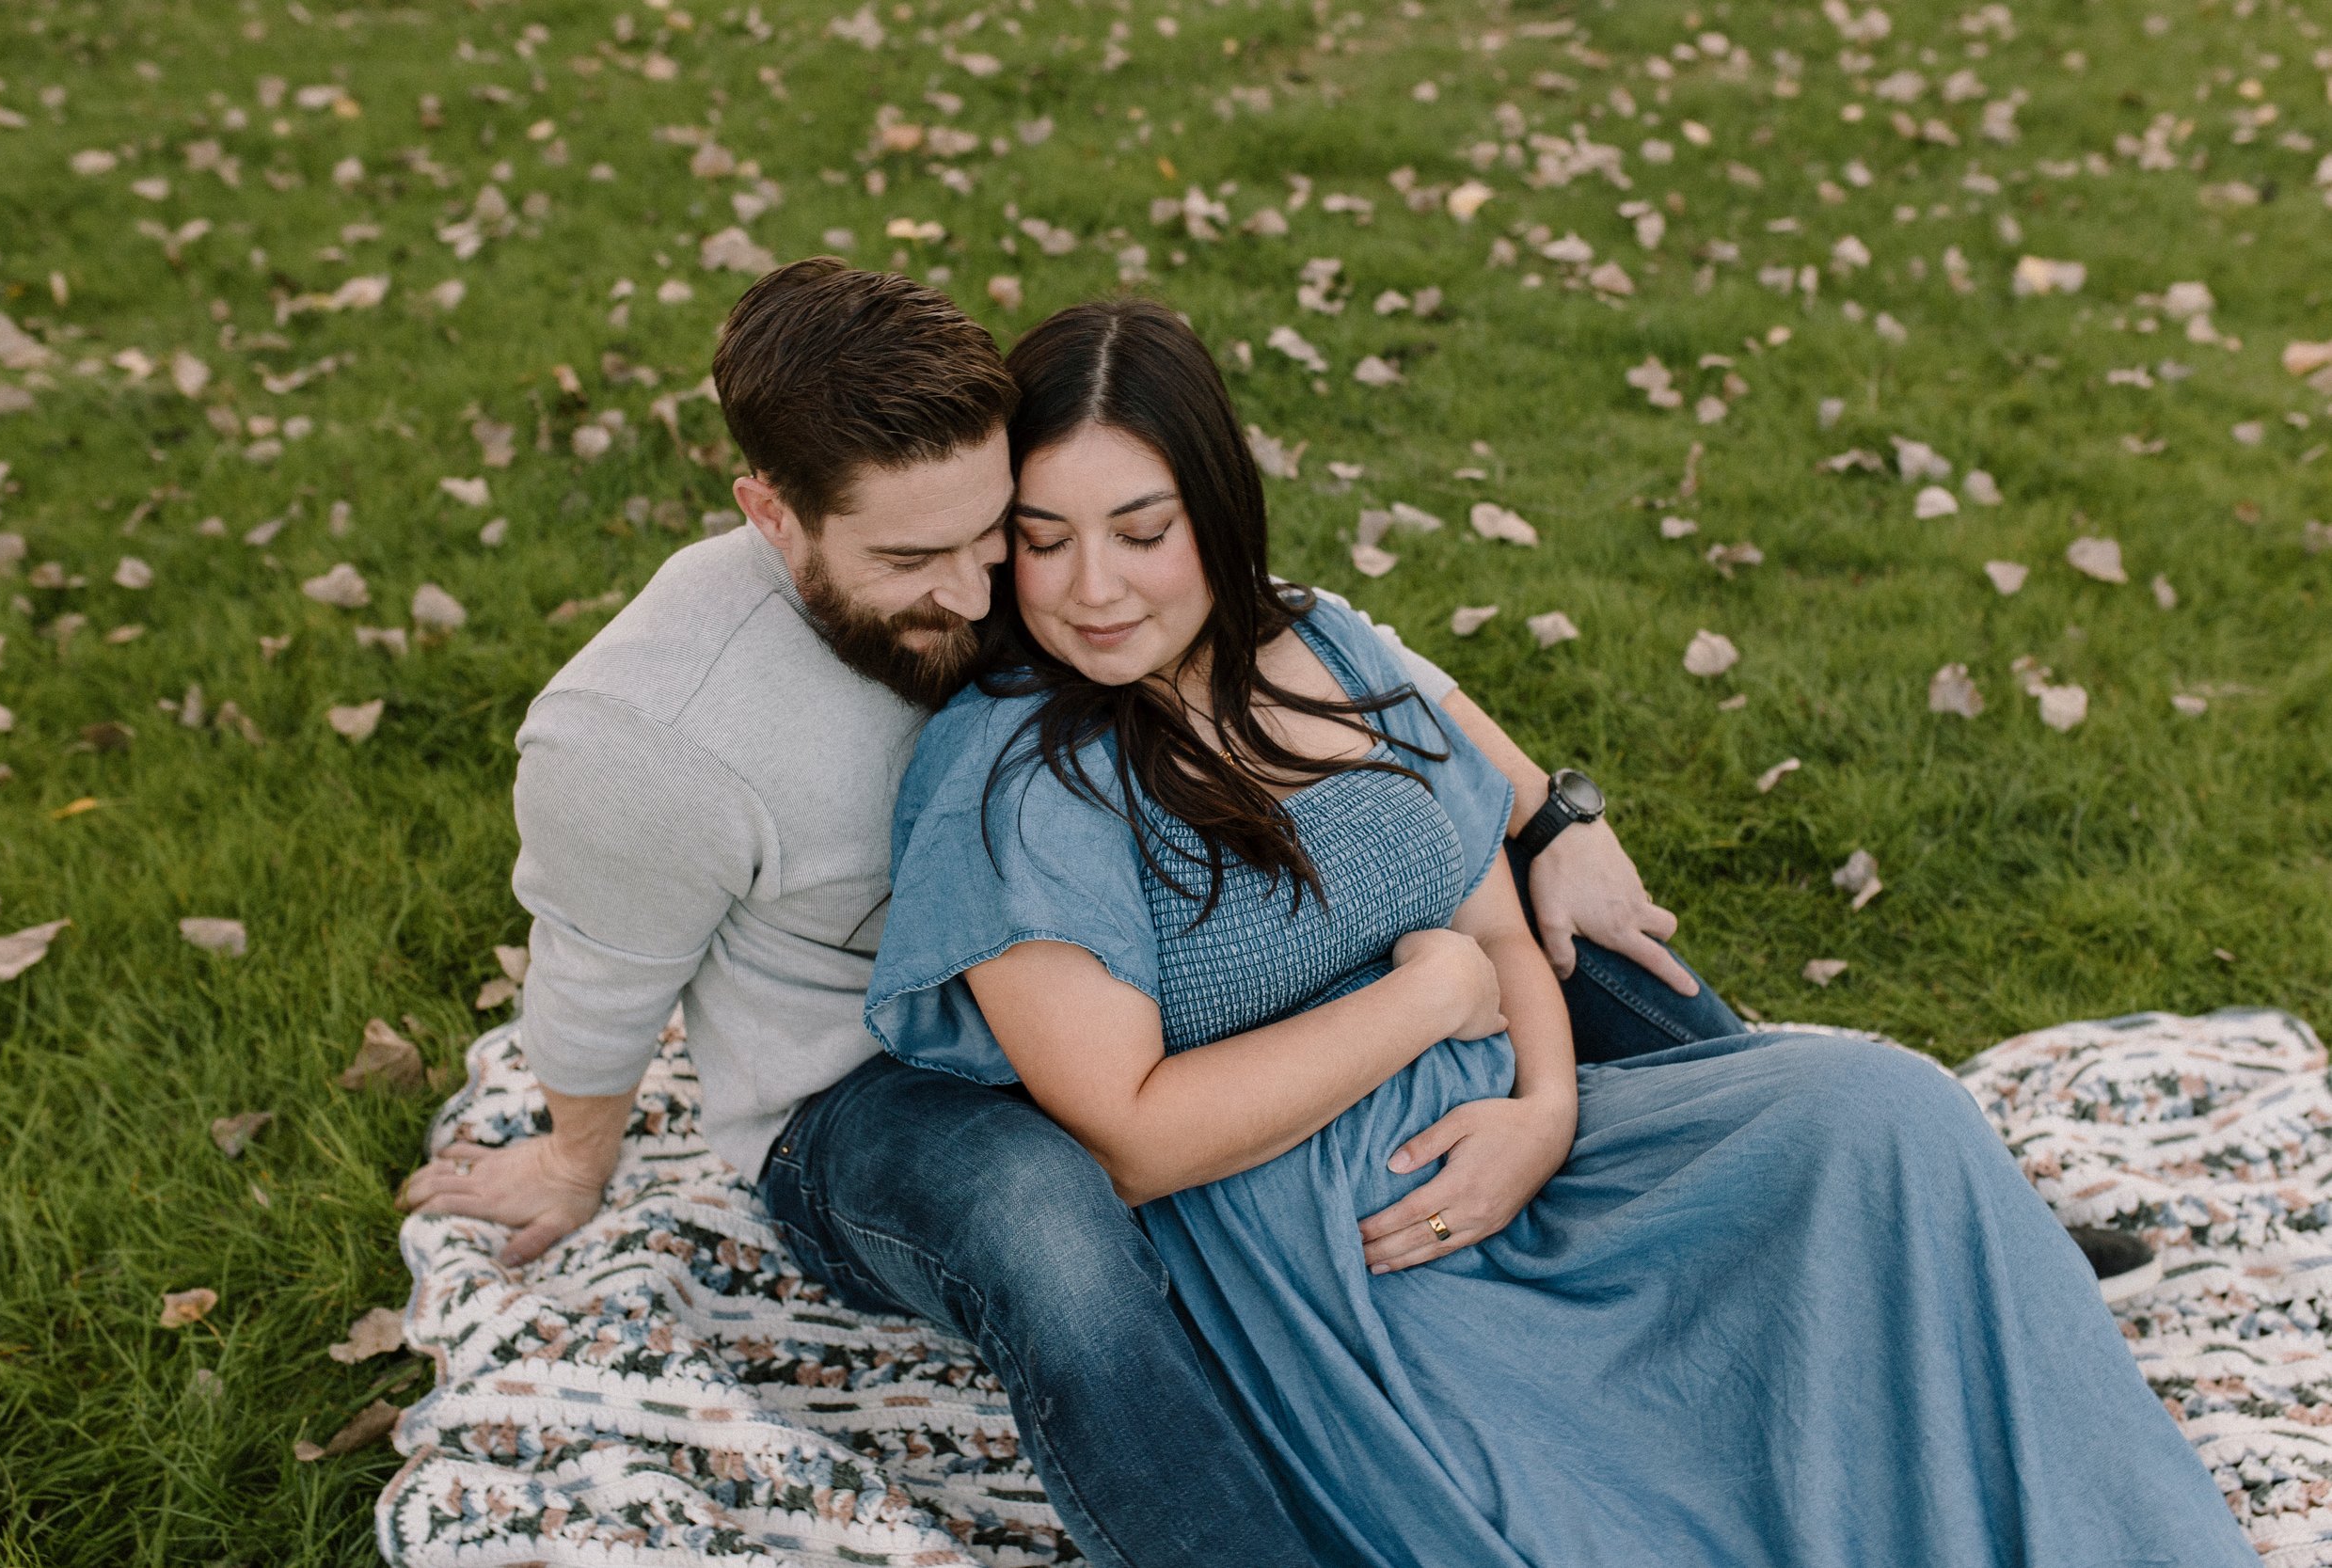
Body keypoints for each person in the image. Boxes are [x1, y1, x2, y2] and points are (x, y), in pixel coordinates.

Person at [399, 260, 1754, 1566]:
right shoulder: (648, 729)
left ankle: (1777, 1317)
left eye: (1003, 536)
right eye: (920, 558)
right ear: (771, 513)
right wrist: (575, 1160)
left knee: (1622, 975)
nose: (987, 592)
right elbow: (600, 966)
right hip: (881, 1086)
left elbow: (1359, 665)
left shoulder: (1042, 570)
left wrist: (1554, 819)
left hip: (1163, 971)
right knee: (1043, 1221)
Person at [864, 298, 2252, 1565]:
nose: (1093, 588)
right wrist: (1421, 1002)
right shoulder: (1022, 778)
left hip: (1524, 1150)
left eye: (1142, 531)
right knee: (1605, 1500)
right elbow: (1131, 1131)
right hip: (1348, 1247)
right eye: (1043, 542)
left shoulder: (1329, 648)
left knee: (1885, 1109)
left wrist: (1539, 1108)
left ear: (1220, 513)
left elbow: (1495, 923)